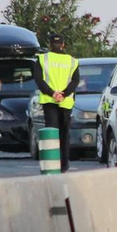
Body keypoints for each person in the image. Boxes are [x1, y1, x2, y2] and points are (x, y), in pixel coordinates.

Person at [31, 33, 80, 172]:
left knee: (51, 133)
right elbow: (75, 81)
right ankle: (64, 165)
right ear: (63, 45)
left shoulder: (42, 59)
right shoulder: (72, 61)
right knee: (65, 134)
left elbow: (39, 81)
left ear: (50, 44)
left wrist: (53, 93)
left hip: (49, 100)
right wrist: (64, 94)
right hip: (66, 101)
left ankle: (52, 163)